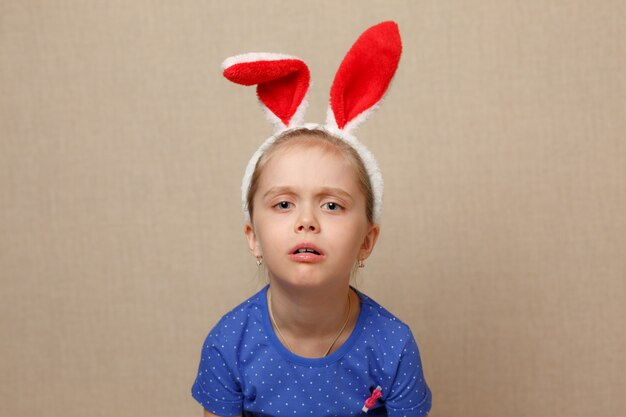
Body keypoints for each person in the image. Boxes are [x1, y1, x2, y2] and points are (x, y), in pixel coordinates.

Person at [192, 22, 432, 417]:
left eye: (332, 206)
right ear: (253, 237)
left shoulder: (393, 345)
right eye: (284, 205)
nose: (307, 221)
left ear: (366, 241)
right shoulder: (229, 343)